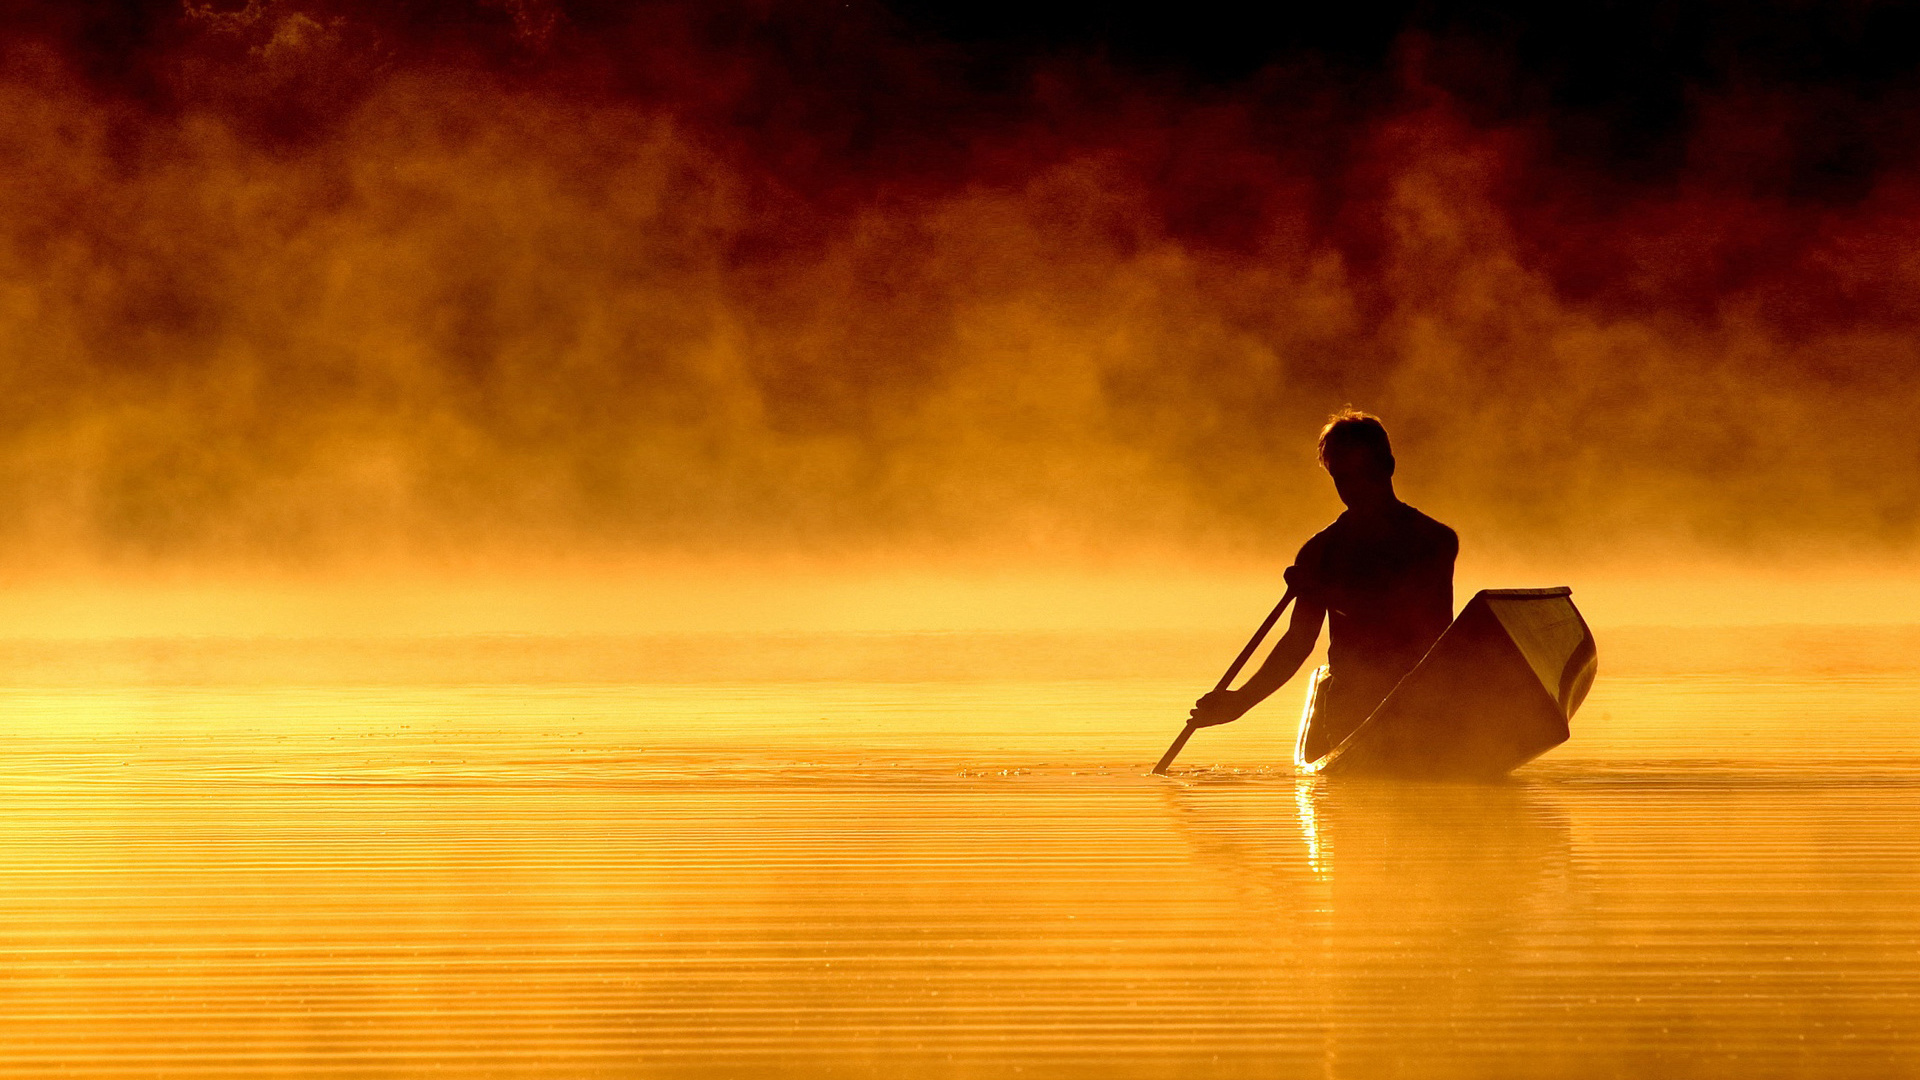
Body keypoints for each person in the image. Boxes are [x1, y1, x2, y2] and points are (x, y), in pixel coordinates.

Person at [1189, 409, 1457, 762]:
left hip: (1426, 703)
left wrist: (1322, 592)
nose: (1354, 488)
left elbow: (1410, 615)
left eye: (1363, 474)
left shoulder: (1433, 540)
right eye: (1342, 478)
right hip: (1353, 706)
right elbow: (1298, 642)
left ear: (1388, 467)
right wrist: (1240, 701)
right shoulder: (1320, 552)